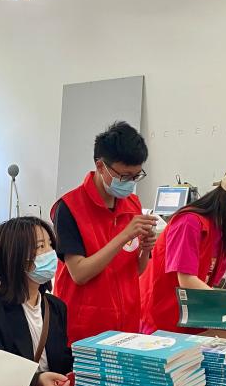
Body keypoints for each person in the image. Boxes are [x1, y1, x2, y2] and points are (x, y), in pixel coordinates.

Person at [51, 121, 157, 344]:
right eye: (124, 176)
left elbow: (135, 271)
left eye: (136, 176)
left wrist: (145, 250)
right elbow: (79, 274)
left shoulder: (132, 204)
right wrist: (124, 236)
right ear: (100, 166)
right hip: (85, 329)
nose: (130, 183)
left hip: (127, 326)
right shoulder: (69, 208)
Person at [139, 169, 226, 334]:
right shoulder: (189, 222)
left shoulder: (221, 231)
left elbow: (206, 281)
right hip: (162, 314)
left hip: (192, 310)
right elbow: (187, 280)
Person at [0, 217, 72, 386]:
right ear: (15, 257)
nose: (51, 253)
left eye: (50, 245)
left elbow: (62, 361)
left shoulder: (56, 307)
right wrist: (38, 380)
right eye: (41, 246)